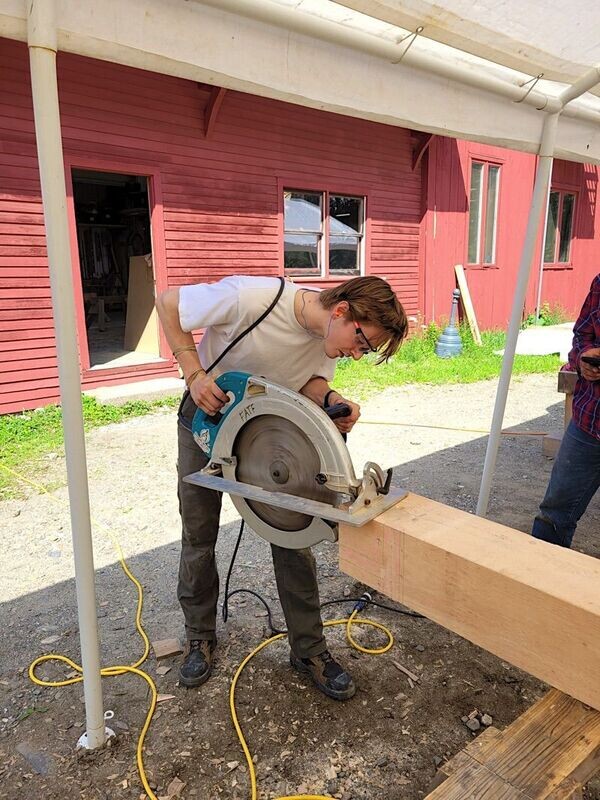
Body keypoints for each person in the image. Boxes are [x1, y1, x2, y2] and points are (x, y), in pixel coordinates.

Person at [156, 274, 408, 700]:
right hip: (208, 418)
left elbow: (311, 380)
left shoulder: (326, 336)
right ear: (343, 311)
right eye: (362, 343)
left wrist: (330, 401)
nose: (358, 355)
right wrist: (194, 373)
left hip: (268, 432)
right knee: (199, 534)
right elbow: (168, 303)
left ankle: (308, 649)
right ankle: (199, 636)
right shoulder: (251, 299)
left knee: (293, 533)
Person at [532, 273, 600, 548]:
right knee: (555, 513)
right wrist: (585, 358)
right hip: (589, 419)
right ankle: (538, 582)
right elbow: (582, 333)